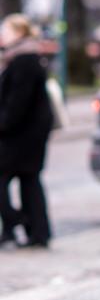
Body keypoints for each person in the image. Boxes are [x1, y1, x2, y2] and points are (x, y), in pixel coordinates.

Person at [0, 15, 54, 249]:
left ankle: (17, 221)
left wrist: (3, 124)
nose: (2, 34)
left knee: (15, 178)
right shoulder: (23, 57)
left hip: (22, 133)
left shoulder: (24, 60)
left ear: (19, 32)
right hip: (28, 132)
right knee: (29, 179)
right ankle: (36, 231)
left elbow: (17, 103)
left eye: (5, 30)